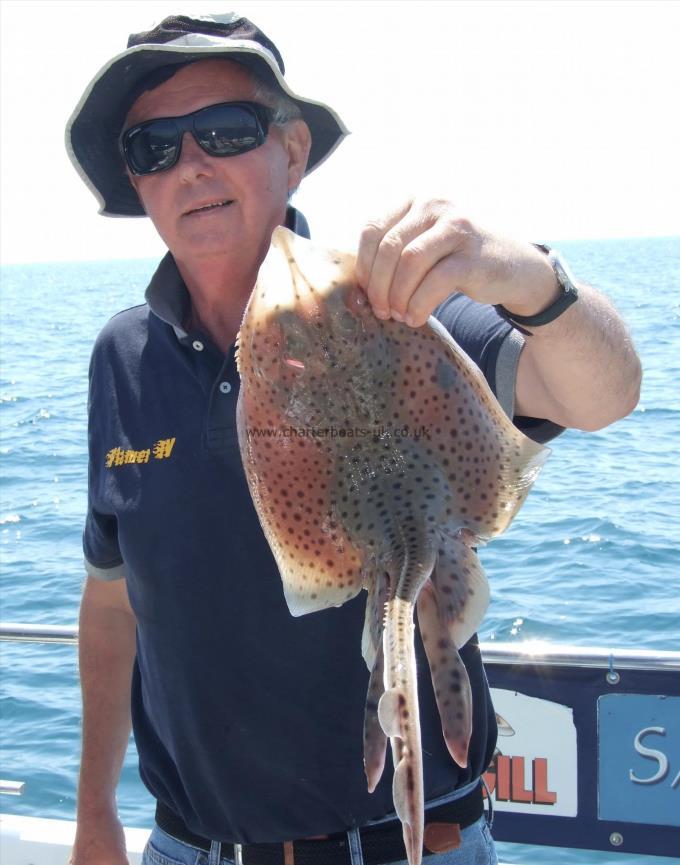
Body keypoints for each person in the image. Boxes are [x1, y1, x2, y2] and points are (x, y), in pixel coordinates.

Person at [65, 12, 641, 865]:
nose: (191, 165)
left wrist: (526, 278)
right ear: (137, 183)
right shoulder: (124, 356)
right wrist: (93, 815)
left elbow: (605, 393)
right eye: (154, 147)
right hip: (186, 848)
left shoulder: (396, 311)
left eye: (225, 131)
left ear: (291, 151)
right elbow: (113, 600)